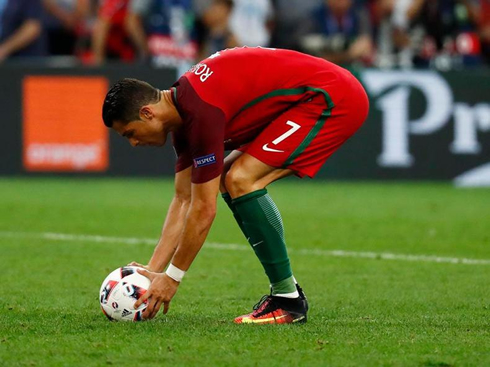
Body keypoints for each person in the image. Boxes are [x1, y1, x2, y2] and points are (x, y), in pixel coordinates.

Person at [101, 46, 369, 324]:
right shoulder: (184, 116)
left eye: (129, 133)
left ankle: (287, 300)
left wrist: (172, 278)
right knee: (231, 177)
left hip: (331, 96)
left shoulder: (200, 112)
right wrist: (152, 271)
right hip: (312, 95)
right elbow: (184, 199)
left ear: (147, 113)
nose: (133, 143)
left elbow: (204, 209)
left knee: (241, 179)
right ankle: (286, 296)